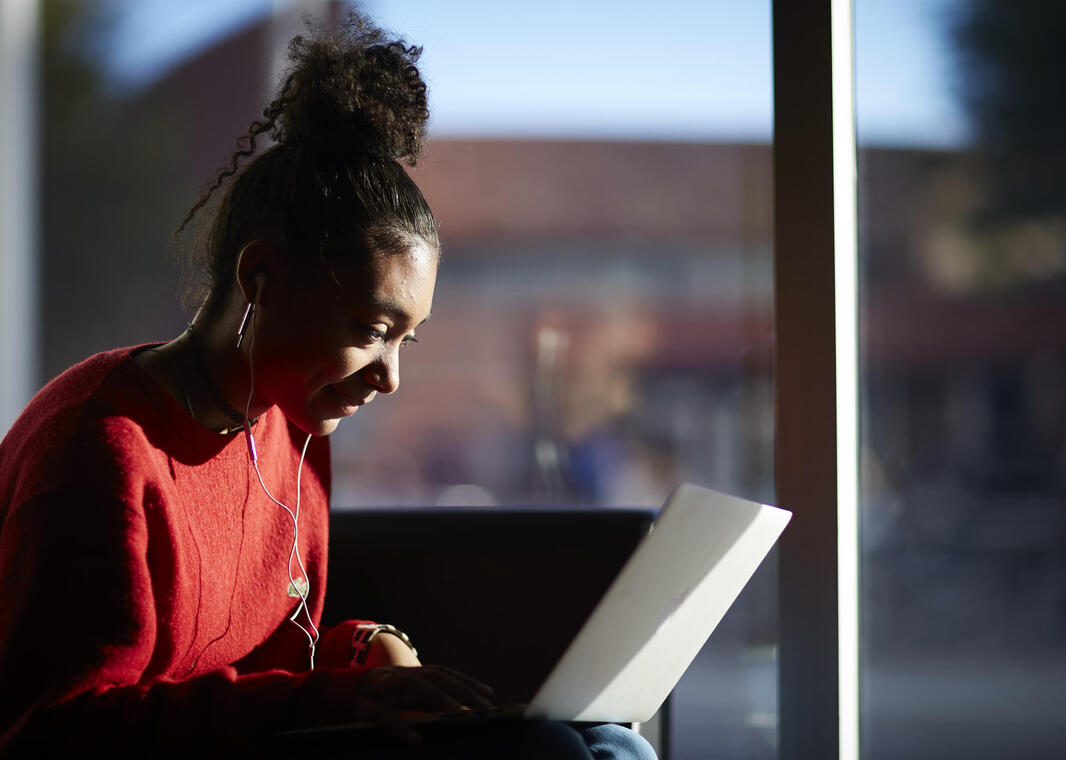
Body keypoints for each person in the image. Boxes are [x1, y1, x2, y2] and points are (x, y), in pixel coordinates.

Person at [0, 12, 656, 760]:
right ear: (261, 278)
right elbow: (51, 731)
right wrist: (334, 699)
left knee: (611, 741)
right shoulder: (100, 447)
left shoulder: (291, 422)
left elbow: (269, 669)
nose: (390, 377)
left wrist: (362, 650)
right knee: (555, 752)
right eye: (372, 330)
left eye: (407, 340)